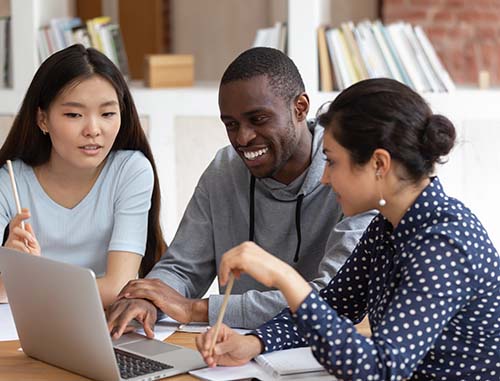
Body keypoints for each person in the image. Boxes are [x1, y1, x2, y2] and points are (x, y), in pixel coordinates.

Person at [196, 78, 500, 380]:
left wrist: (284, 276)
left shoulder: (444, 245)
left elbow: (379, 368)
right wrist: (254, 342)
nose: (325, 178)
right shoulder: (387, 226)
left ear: (379, 164)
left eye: (332, 162)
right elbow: (334, 305)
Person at [106, 47, 374, 336]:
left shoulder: (351, 175)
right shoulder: (225, 168)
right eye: (231, 124)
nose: (243, 138)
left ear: (300, 107)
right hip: (234, 350)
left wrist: (196, 309)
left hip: (322, 351)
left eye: (258, 119)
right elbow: (183, 267)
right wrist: (148, 299)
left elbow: (333, 299)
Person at [0, 44, 166, 307]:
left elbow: (117, 287)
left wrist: (25, 284)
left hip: (100, 325)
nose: (93, 129)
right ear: (42, 119)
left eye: (108, 114)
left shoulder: (130, 171)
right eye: (74, 114)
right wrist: (9, 266)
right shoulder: (9, 181)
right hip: (19, 328)